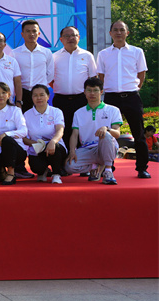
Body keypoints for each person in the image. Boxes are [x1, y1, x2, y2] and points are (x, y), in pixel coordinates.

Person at [97, 20, 150, 178]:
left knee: (139, 134)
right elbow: (101, 76)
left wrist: (136, 88)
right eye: (115, 30)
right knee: (107, 134)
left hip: (132, 97)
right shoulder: (103, 54)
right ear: (110, 33)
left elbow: (141, 73)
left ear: (127, 33)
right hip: (111, 98)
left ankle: (142, 168)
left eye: (122, 30)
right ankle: (108, 168)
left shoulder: (137, 51)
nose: (118, 32)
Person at [0, 31, 30, 178]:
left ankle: (16, 169)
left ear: (5, 44)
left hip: (9, 104)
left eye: (1, 41)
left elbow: (17, 83)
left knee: (9, 139)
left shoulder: (12, 61)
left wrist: (19, 101)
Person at [65, 76, 122, 184]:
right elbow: (74, 134)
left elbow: (117, 133)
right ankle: (95, 166)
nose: (92, 93)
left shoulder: (113, 110)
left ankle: (108, 171)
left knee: (106, 135)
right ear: (84, 92)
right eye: (89, 90)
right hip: (87, 148)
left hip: (106, 147)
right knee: (69, 167)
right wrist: (72, 152)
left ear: (101, 92)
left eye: (95, 90)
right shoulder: (78, 113)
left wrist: (107, 129)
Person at [52, 25, 97, 147]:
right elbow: (50, 79)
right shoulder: (54, 57)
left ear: (79, 37)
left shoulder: (87, 55)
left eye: (73, 35)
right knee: (63, 130)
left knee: (82, 130)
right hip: (61, 100)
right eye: (67, 36)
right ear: (61, 39)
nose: (70, 38)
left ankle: (82, 156)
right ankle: (66, 157)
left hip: (81, 99)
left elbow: (93, 78)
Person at [22, 84, 67, 184]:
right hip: (37, 148)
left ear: (48, 96)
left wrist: (53, 141)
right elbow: (23, 137)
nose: (39, 98)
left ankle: (56, 174)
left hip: (55, 146)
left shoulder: (56, 112)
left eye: (42, 95)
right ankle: (43, 171)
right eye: (35, 95)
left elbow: (60, 130)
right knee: (36, 167)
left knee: (55, 148)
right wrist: (35, 144)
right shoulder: (26, 114)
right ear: (32, 97)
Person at [13, 20, 54, 112]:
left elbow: (50, 74)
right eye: (28, 31)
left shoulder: (46, 52)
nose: (31, 34)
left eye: (34, 31)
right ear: (22, 34)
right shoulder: (15, 53)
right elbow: (13, 75)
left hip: (40, 94)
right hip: (22, 94)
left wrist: (41, 86)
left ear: (38, 34)